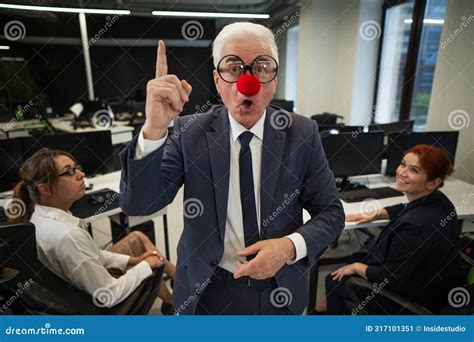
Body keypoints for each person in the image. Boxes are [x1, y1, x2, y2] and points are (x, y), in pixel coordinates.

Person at [120, 22, 345, 315]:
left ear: (273, 79)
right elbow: (139, 204)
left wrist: (288, 247)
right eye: (234, 67)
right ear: (216, 79)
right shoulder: (188, 132)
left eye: (261, 67)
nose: (246, 83)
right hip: (206, 290)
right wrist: (153, 128)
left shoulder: (302, 133)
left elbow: (331, 212)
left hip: (279, 289)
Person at [11, 148, 176, 314]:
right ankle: (175, 287)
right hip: (100, 307)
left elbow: (93, 254)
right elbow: (108, 294)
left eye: (77, 167)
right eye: (69, 172)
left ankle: (171, 297)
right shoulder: (68, 236)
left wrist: (135, 260)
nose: (81, 174)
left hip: (76, 290)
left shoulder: (38, 215)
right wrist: (145, 265)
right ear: (45, 189)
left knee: (137, 238)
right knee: (153, 263)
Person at [319, 144, 462, 314]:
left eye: (414, 170)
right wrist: (377, 213)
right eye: (403, 164)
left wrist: (356, 268)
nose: (402, 172)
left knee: (334, 279)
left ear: (433, 182)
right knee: (357, 256)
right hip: (435, 285)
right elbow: (406, 207)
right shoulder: (438, 200)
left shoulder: (416, 226)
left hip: (410, 299)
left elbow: (389, 278)